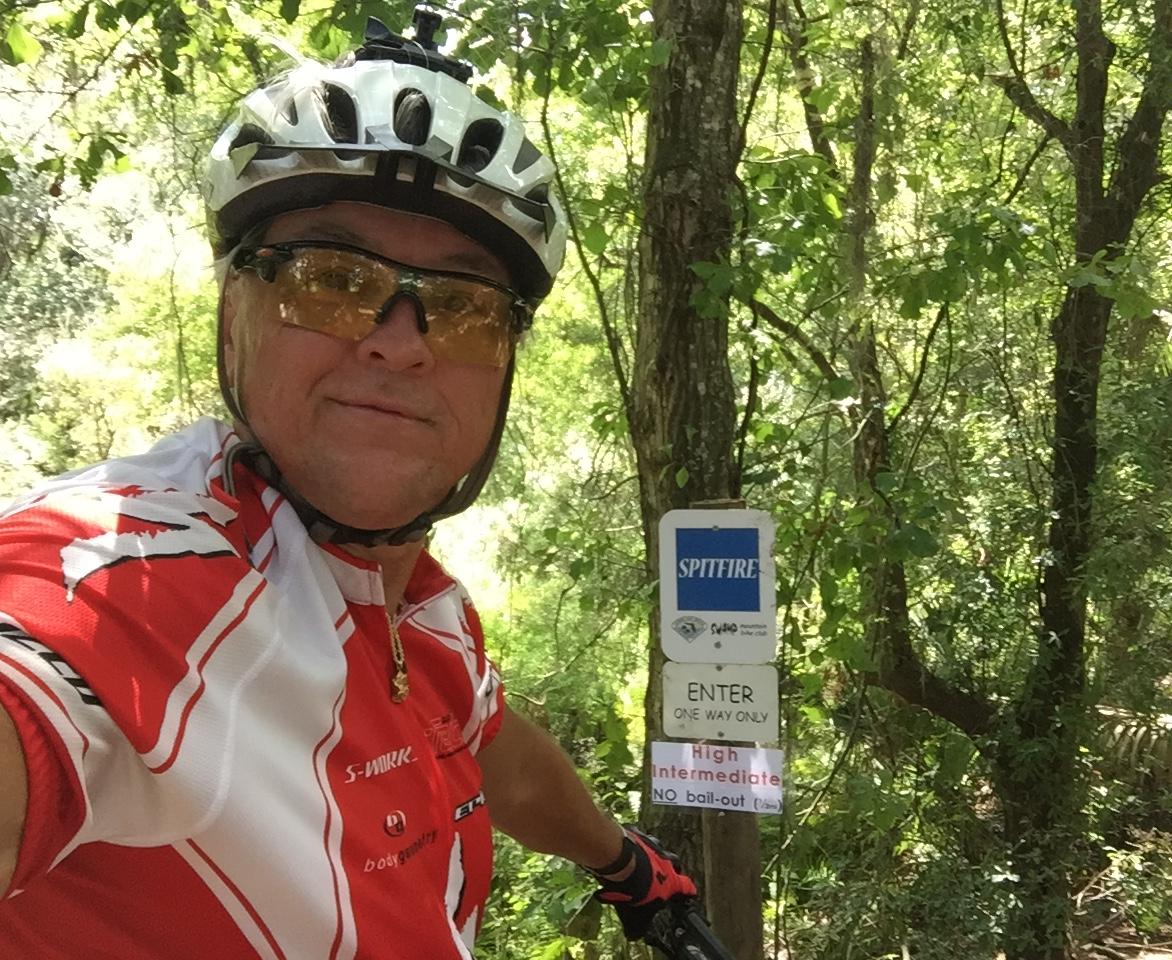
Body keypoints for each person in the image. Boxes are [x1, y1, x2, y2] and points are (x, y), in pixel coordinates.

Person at [0, 7, 695, 957]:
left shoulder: (421, 611)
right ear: (231, 316)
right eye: (326, 277)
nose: (397, 342)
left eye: (461, 307)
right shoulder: (134, 573)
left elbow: (495, 745)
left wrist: (629, 867)